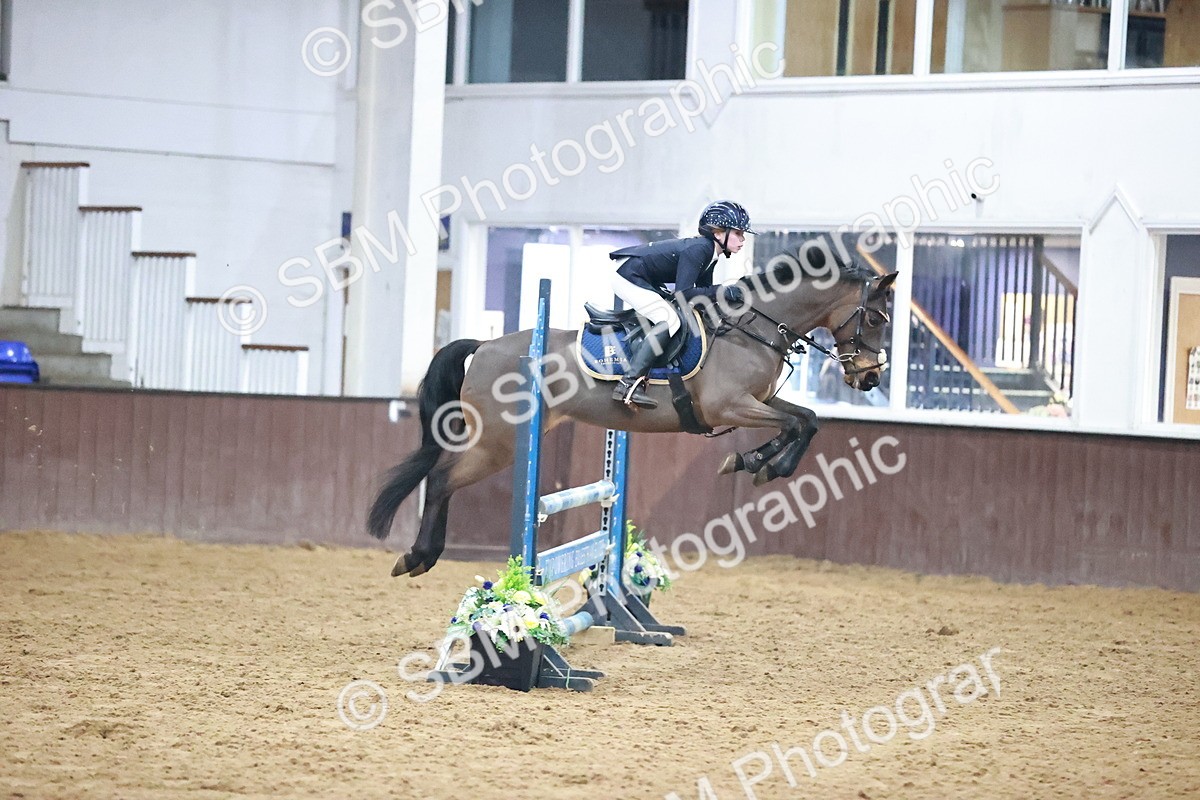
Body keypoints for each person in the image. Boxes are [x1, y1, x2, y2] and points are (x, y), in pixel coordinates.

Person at [608, 200, 755, 409]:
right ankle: (628, 383)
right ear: (719, 233)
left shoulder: (711, 253)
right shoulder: (700, 250)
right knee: (669, 320)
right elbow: (684, 294)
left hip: (639, 275)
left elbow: (704, 296)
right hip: (627, 275)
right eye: (739, 233)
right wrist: (724, 291)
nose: (743, 240)